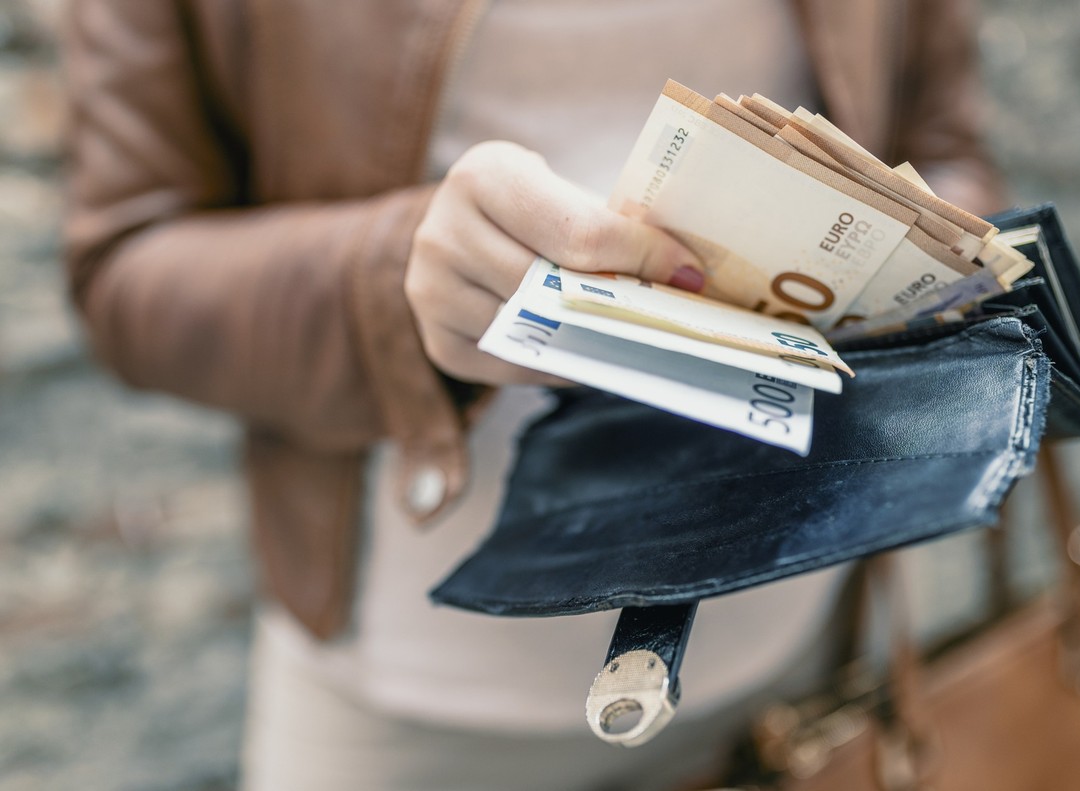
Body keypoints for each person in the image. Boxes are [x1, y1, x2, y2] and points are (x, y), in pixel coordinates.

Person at [63, 1, 1006, 789]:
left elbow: (946, 146)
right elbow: (122, 267)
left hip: (797, 627)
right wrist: (393, 274)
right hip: (415, 705)